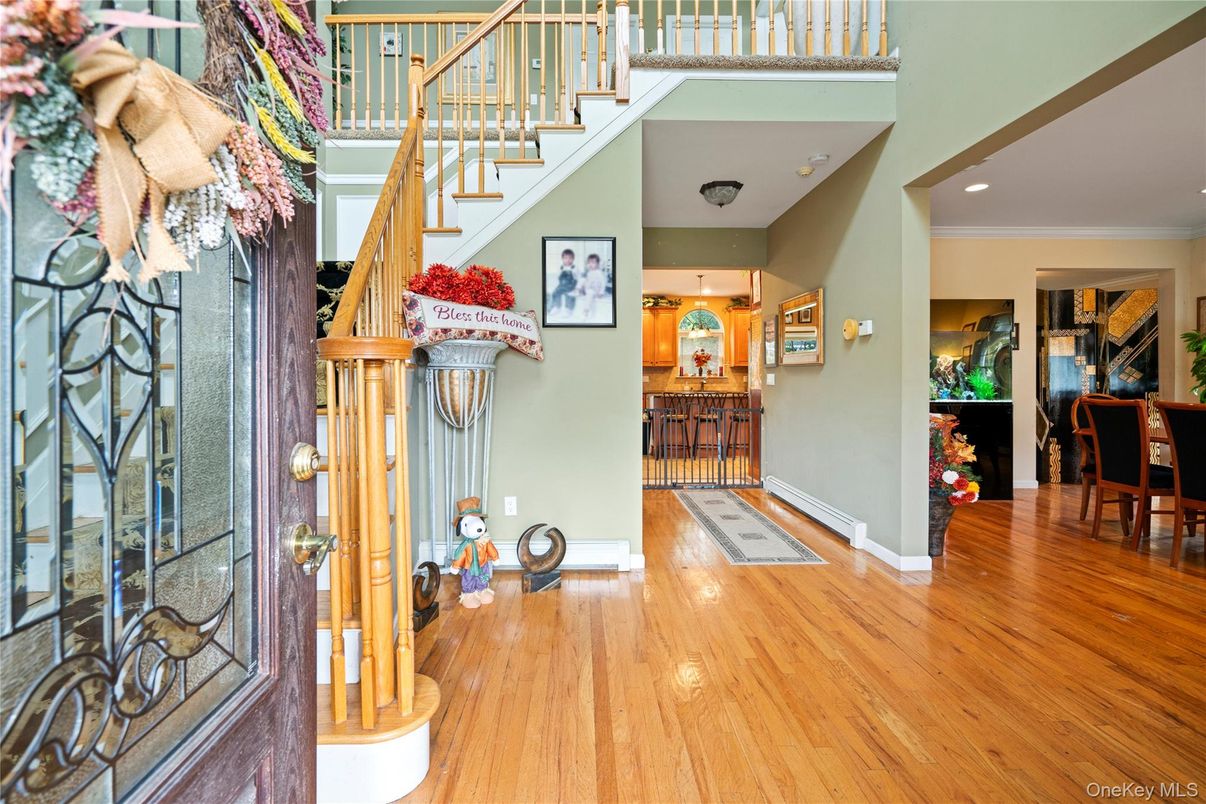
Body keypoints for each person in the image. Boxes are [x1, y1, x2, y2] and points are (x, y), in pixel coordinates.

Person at [550, 248, 578, 317]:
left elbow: (577, 278)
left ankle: (569, 309)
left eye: (570, 258)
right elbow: (558, 277)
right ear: (562, 259)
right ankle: (557, 307)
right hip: (562, 285)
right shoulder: (561, 267)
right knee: (555, 292)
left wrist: (577, 288)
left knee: (569, 294)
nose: (568, 260)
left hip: (571, 286)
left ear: (573, 259)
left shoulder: (574, 268)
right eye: (565, 258)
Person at [580, 253, 607, 319]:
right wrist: (583, 286)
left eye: (593, 263)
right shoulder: (589, 272)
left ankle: (586, 311)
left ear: (597, 264)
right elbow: (588, 281)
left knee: (590, 293)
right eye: (589, 262)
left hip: (595, 290)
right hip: (589, 288)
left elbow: (603, 283)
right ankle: (581, 290)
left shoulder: (599, 273)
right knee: (583, 280)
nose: (590, 264)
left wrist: (601, 292)